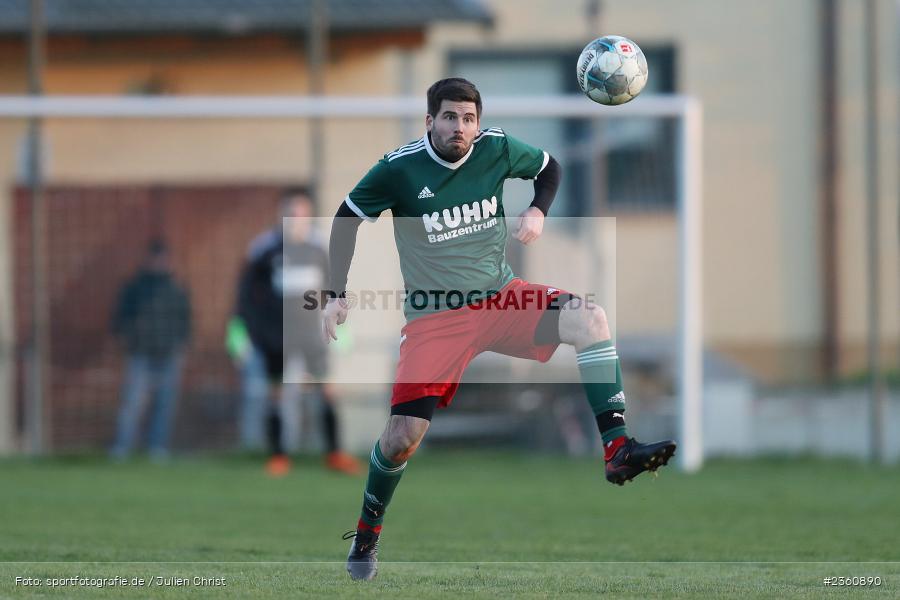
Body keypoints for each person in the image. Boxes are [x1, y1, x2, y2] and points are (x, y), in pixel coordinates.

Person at [325, 78, 677, 580]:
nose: (460, 128)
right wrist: (336, 295)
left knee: (590, 318)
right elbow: (346, 219)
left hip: (500, 297)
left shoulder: (495, 149)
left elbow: (550, 167)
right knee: (403, 437)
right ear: (430, 121)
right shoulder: (398, 168)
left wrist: (538, 209)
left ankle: (617, 448)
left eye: (468, 118)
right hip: (435, 320)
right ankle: (366, 534)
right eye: (449, 117)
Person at [230, 188, 362, 477]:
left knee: (326, 391)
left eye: (303, 213)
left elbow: (333, 288)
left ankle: (335, 454)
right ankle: (278, 456)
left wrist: (342, 324)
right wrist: (242, 333)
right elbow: (246, 295)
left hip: (311, 335)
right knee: (276, 394)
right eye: (291, 213)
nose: (297, 219)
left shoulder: (319, 249)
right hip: (276, 335)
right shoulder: (263, 250)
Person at [110, 239, 191, 460]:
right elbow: (120, 319)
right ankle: (122, 448)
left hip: (168, 354)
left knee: (164, 405)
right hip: (141, 353)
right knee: (132, 404)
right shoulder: (135, 287)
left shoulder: (177, 288)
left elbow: (185, 321)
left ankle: (157, 448)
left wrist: (180, 345)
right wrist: (131, 341)